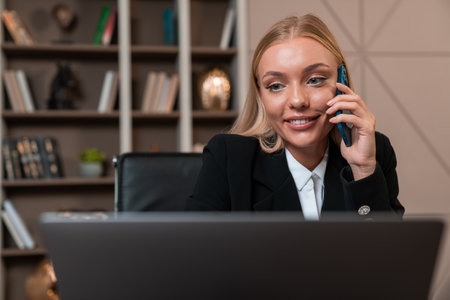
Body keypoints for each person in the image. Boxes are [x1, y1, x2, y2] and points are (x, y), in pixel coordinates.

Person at [186, 14, 404, 219]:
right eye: (276, 86)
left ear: (341, 84)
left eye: (315, 80)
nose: (298, 100)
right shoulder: (228, 159)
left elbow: (391, 256)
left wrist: (363, 170)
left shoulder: (375, 153)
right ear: (260, 95)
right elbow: (194, 254)